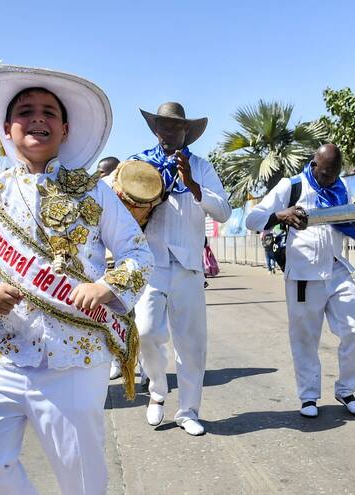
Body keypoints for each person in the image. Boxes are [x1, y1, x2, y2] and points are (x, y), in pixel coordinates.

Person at [0, 64, 152, 494]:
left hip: (74, 354)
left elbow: (137, 254)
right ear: (6, 128)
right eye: (26, 111)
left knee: (81, 477)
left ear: (66, 128)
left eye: (49, 112)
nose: (38, 118)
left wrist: (106, 286)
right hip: (7, 351)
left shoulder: (94, 192)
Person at [245, 144, 355, 418]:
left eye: (333, 175)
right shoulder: (292, 186)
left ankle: (346, 390)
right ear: (314, 164)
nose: (327, 180)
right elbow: (253, 219)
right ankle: (309, 397)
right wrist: (280, 216)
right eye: (323, 174)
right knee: (305, 338)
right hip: (303, 275)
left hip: (336, 270)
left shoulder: (340, 188)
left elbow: (349, 220)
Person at [129, 101, 231, 436]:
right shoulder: (140, 165)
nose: (168, 131)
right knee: (145, 330)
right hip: (152, 263)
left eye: (175, 127)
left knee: (191, 344)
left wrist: (193, 185)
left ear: (187, 132)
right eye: (163, 126)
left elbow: (224, 212)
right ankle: (157, 391)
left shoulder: (201, 167)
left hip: (188, 266)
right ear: (156, 130)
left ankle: (188, 411)